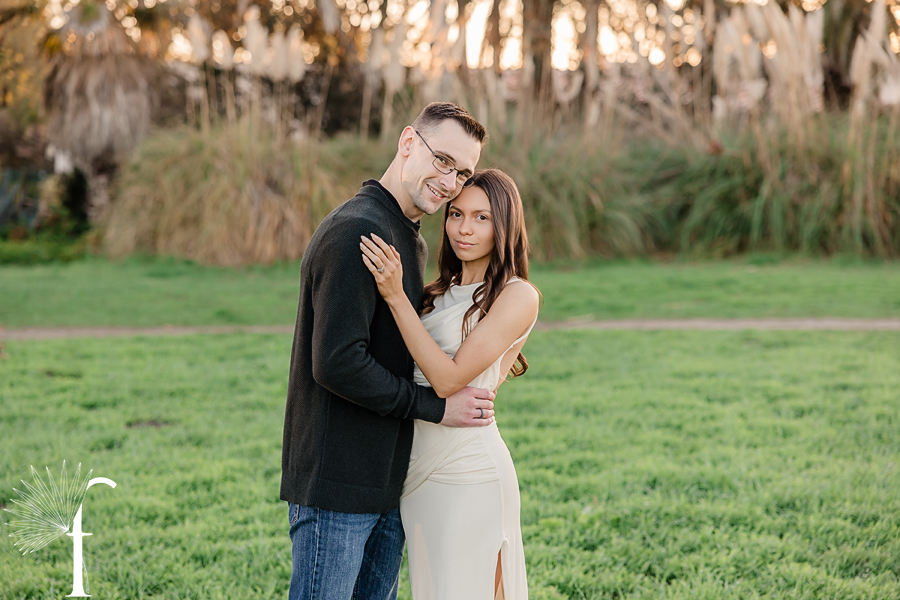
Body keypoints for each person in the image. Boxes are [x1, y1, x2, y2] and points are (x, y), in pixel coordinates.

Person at [280, 103, 494, 600]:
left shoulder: (409, 239)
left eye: (463, 173)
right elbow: (337, 362)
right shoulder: (357, 230)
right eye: (443, 161)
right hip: (338, 485)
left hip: (388, 480)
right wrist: (435, 408)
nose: (450, 182)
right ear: (407, 142)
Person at [360, 168, 541, 600]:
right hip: (415, 474)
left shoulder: (518, 295)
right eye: (456, 214)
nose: (464, 228)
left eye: (482, 218)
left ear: (504, 225)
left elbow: (446, 380)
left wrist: (395, 296)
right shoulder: (433, 296)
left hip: (468, 472)